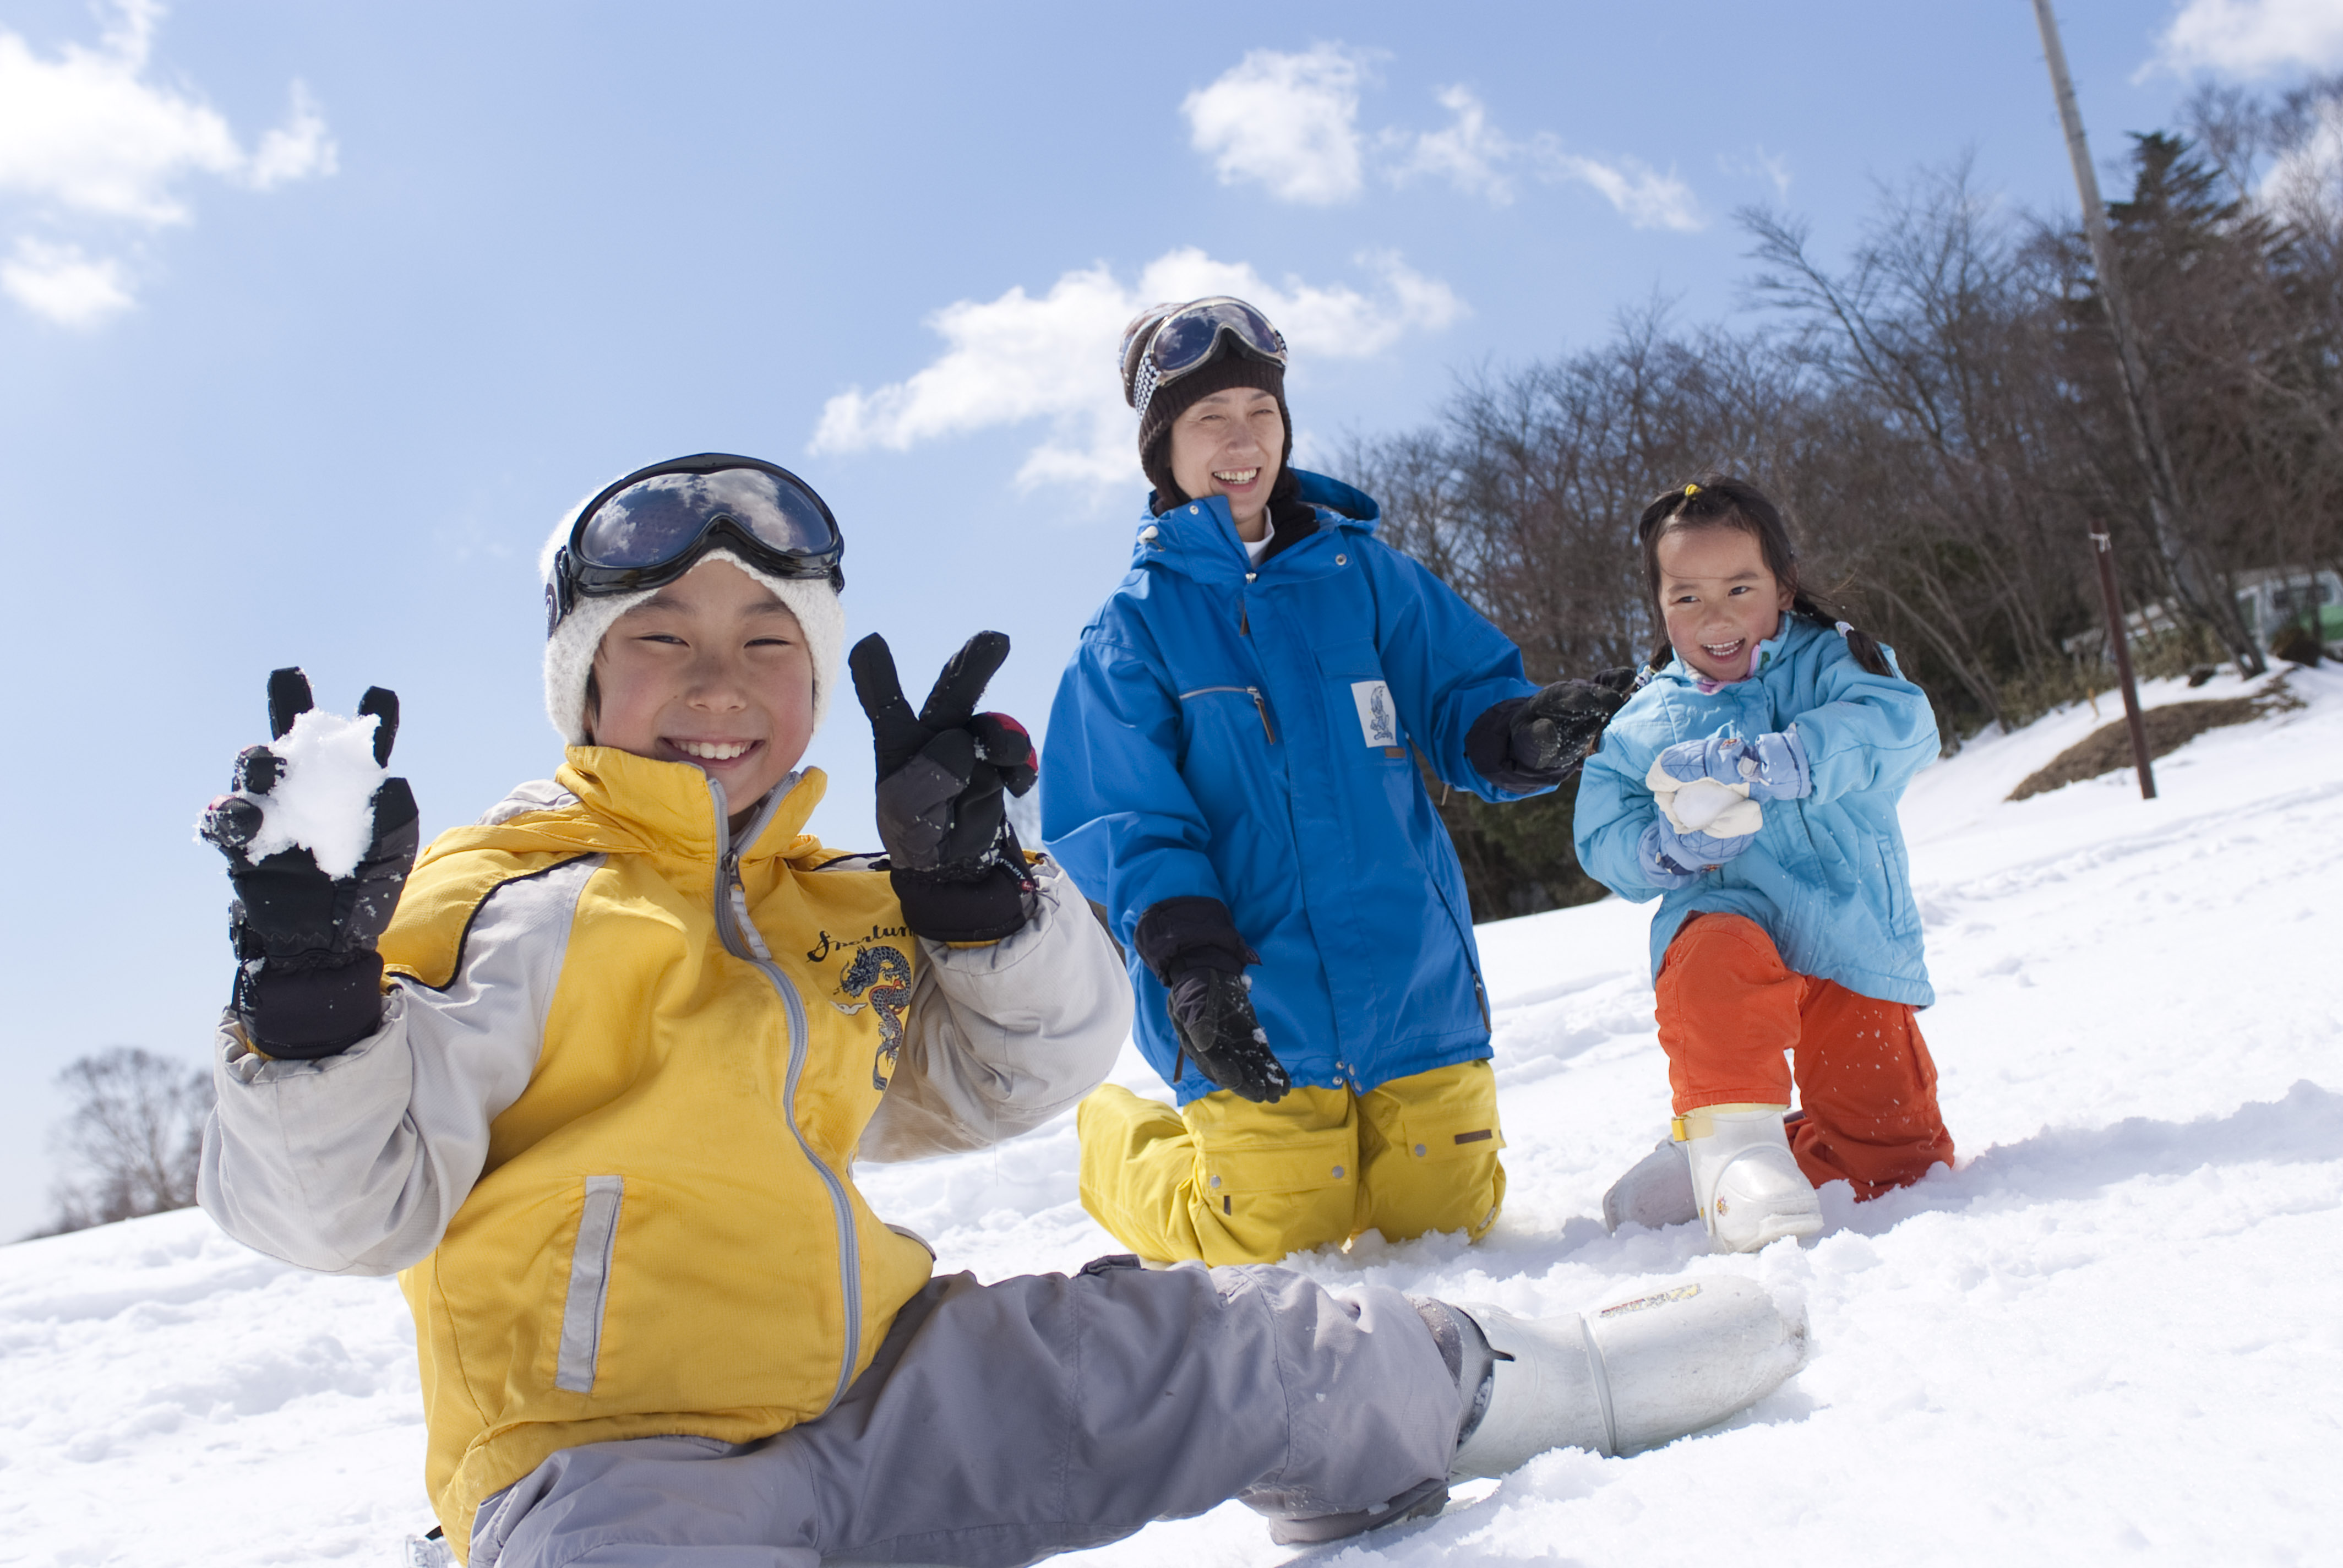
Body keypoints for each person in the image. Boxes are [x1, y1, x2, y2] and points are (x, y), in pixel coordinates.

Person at [194, 453, 1802, 1565]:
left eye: (770, 642)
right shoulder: (499, 894)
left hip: (886, 1390)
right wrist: (315, 1003)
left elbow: (1027, 1073)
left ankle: (1501, 1386)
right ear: (583, 686)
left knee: (1216, 1341)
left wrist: (979, 896)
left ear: (815, 687)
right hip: (611, 1471)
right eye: (662, 641)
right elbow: (349, 1208)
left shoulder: (823, 899)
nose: (720, 684)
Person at [1044, 297, 1632, 1268]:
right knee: (1272, 1239)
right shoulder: (1134, 629)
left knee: (1446, 1223)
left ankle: (1362, 1148)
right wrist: (1195, 969)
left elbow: (1464, 702)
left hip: (1412, 984)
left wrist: (1523, 734)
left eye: (1260, 413)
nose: (1243, 441)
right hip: (1253, 994)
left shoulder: (1364, 574)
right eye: (1209, 419)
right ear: (1163, 448)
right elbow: (1127, 816)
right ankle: (1118, 1139)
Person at [1575, 475, 1957, 1254]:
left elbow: (1903, 724)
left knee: (1897, 1161)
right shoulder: (1645, 720)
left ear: (1782, 586)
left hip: (1849, 934)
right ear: (1657, 604)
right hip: (1728, 921)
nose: (1714, 618)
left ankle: (1717, 1156)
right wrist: (1661, 848)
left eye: (1738, 588)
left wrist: (1800, 752)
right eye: (1685, 597)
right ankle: (1736, 1151)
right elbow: (1601, 832)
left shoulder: (1835, 661)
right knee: (1715, 961)